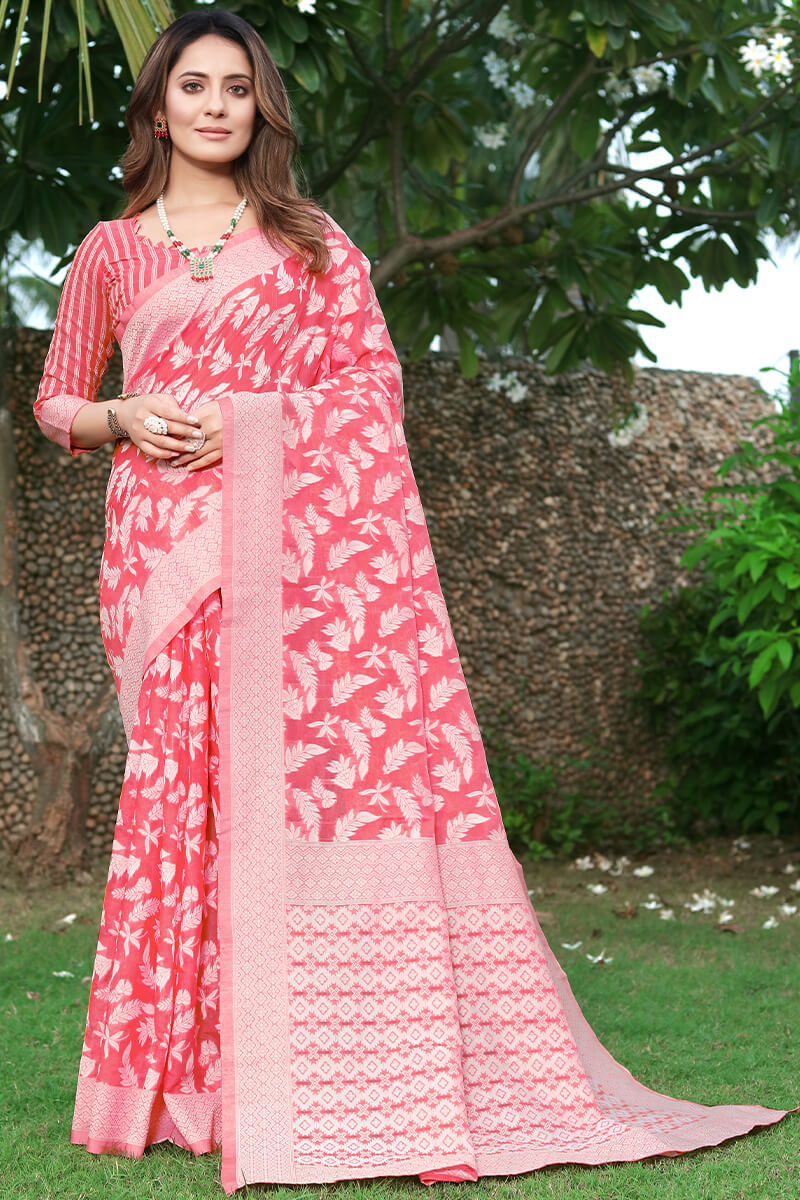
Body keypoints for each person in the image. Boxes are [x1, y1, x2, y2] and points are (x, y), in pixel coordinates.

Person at [34, 9, 795, 1197]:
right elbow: (55, 405)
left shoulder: (311, 244)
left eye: (239, 87)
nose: (217, 106)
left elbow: (369, 390)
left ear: (261, 109)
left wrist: (248, 425)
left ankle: (294, 1073)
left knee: (272, 801)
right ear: (157, 108)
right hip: (162, 557)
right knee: (178, 805)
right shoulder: (110, 252)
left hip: (291, 562)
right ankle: (173, 1087)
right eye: (194, 86)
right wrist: (124, 416)